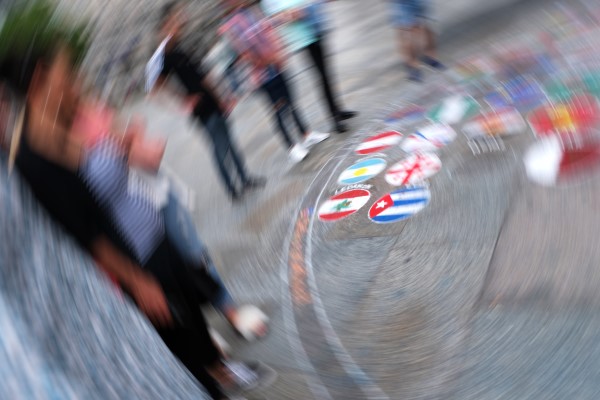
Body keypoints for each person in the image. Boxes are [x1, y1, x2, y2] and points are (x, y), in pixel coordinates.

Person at [1, 2, 272, 398]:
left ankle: (223, 370)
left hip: (151, 236)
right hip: (135, 263)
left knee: (193, 322)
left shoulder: (57, 124)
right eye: (64, 71)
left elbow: (100, 160)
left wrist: (116, 139)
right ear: (41, 78)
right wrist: (137, 280)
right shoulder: (31, 156)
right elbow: (85, 231)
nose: (72, 77)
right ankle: (214, 380)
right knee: (181, 345)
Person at [155, 2, 266, 200]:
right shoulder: (167, 55)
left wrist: (220, 96)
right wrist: (184, 100)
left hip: (211, 101)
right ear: (167, 23)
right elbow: (158, 85)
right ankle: (233, 189)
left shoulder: (179, 48)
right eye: (177, 17)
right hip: (204, 108)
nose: (182, 20)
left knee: (229, 142)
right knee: (220, 147)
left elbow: (201, 76)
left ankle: (245, 179)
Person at [219, 0, 330, 162]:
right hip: (262, 74)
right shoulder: (229, 26)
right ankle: (291, 147)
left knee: (291, 101)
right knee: (278, 109)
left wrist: (279, 51)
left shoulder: (249, 12)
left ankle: (306, 134)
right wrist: (267, 60)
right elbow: (242, 52)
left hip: (276, 64)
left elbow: (267, 29)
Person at [261, 0, 357, 133]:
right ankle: (334, 117)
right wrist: (291, 15)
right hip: (302, 39)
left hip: (315, 28)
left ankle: (337, 109)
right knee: (321, 77)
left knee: (326, 74)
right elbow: (273, 19)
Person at [390, 0, 446, 82]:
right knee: (407, 31)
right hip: (401, 3)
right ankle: (412, 67)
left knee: (425, 26)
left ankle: (429, 58)